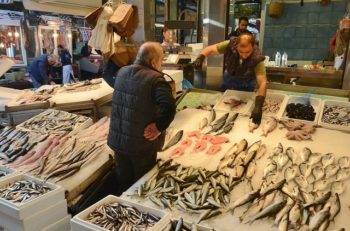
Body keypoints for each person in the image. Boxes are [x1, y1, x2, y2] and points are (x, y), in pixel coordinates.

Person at [107, 42, 176, 195]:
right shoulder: (156, 79)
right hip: (141, 146)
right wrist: (159, 127)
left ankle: (123, 210)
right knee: (142, 188)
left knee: (124, 184)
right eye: (161, 60)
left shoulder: (122, 72)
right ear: (153, 62)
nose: (161, 64)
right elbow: (169, 106)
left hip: (119, 143)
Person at [193, 33, 267, 125]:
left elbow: (263, 82)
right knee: (223, 108)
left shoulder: (257, 58)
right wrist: (201, 57)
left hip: (247, 83)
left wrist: (258, 106)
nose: (244, 55)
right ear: (236, 45)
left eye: (248, 52)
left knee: (243, 111)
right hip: (229, 78)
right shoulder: (230, 44)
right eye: (241, 52)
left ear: (253, 46)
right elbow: (210, 49)